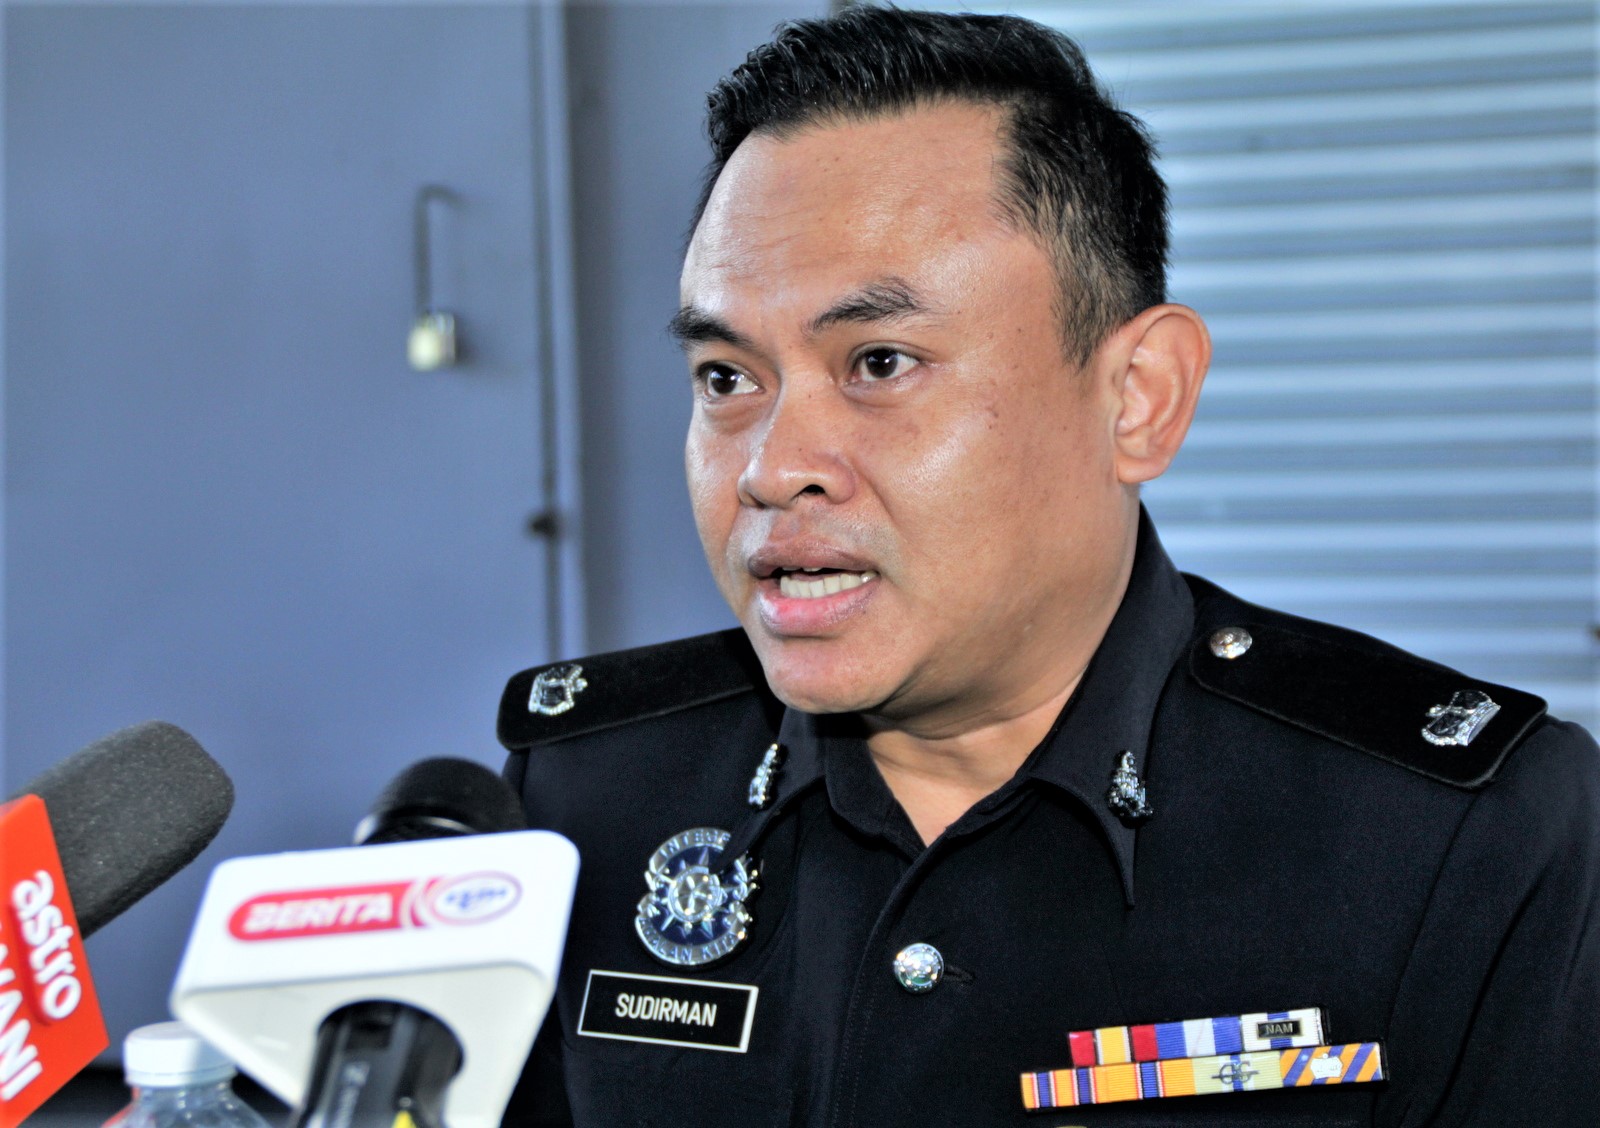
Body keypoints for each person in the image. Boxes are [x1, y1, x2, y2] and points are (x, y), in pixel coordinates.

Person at [497, 8, 1600, 1125]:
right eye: (727, 378)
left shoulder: (1450, 840)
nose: (772, 470)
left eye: (880, 362)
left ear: (1138, 399)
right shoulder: (581, 803)